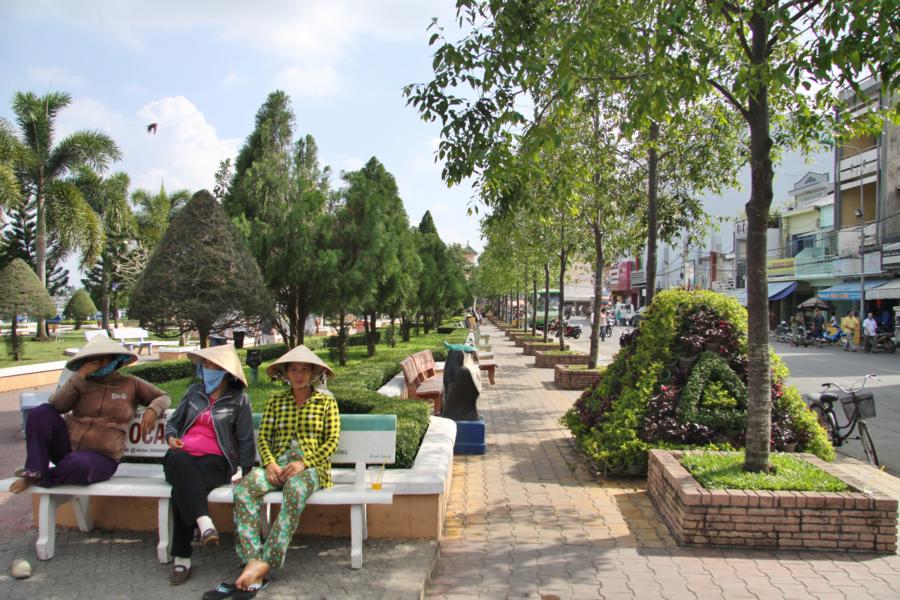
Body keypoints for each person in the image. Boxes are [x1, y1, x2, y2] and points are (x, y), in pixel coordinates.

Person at [230, 345, 340, 593]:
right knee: (244, 489)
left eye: (304, 370)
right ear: (286, 374)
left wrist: (304, 463)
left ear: (313, 373)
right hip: (277, 465)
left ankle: (266, 561)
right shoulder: (276, 401)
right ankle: (251, 559)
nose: (299, 375)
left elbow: (331, 442)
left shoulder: (326, 402)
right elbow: (264, 439)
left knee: (295, 492)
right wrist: (269, 462)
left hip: (311, 468)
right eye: (293, 370)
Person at [9, 336, 170, 493]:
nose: (97, 363)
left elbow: (163, 396)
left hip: (102, 458)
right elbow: (57, 406)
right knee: (41, 412)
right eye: (92, 359)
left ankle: (44, 476)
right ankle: (33, 472)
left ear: (114, 359)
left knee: (80, 465)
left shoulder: (131, 384)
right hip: (66, 449)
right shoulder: (81, 382)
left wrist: (152, 410)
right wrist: (79, 376)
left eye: (101, 359)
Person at [163, 345, 255, 586]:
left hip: (215, 461)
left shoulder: (239, 400)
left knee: (181, 489)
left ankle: (182, 556)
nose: (207, 370)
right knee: (182, 464)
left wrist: (246, 472)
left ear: (225, 372)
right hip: (180, 455)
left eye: (213, 366)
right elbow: (173, 424)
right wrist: (171, 438)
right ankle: (204, 522)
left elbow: (245, 439)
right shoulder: (194, 392)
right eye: (204, 365)